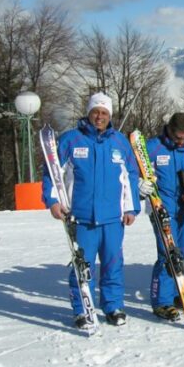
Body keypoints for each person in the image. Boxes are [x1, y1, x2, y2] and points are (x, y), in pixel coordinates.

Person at [43, 92, 140, 328]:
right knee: (82, 266)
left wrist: (131, 208)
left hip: (113, 218)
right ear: (88, 113)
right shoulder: (71, 140)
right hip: (81, 217)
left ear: (110, 116)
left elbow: (130, 176)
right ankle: (82, 309)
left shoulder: (119, 142)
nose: (99, 116)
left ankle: (113, 306)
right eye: (96, 111)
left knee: (113, 264)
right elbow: (52, 173)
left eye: (104, 113)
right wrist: (53, 201)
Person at [139, 112, 184, 321]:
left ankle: (179, 292)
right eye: (178, 137)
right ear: (169, 129)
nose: (181, 142)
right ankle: (162, 301)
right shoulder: (153, 147)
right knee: (168, 254)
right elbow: (136, 172)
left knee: (183, 253)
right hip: (162, 207)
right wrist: (141, 185)